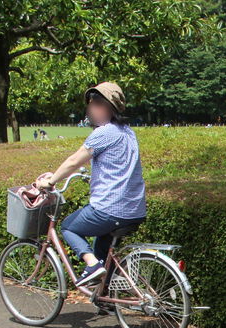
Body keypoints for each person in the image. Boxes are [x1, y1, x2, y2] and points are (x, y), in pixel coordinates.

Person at [37, 82, 147, 288]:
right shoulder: (127, 132)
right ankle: (105, 298)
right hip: (134, 209)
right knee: (103, 250)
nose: (91, 108)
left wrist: (50, 181)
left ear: (110, 108)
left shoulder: (105, 132)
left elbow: (74, 161)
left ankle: (92, 266)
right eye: (91, 103)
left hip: (110, 209)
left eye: (97, 103)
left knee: (69, 226)